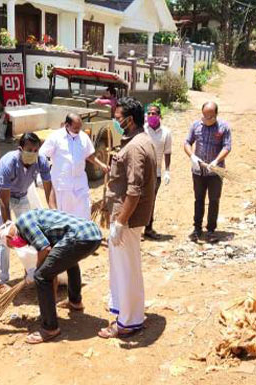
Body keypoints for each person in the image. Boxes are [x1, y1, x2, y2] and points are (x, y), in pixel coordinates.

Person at [0, 209, 102, 344]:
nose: (16, 247)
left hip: (79, 237)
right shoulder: (32, 220)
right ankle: (75, 302)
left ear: (10, 238)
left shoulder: (23, 223)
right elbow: (53, 262)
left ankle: (50, 328)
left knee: (41, 277)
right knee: (68, 261)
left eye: (12, 246)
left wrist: (36, 271)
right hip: (93, 234)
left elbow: (45, 249)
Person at [98, 97, 157, 339]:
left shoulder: (134, 148)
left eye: (118, 117)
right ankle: (127, 312)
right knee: (126, 268)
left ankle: (129, 322)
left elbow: (134, 190)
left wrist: (120, 222)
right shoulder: (142, 140)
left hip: (128, 219)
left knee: (127, 270)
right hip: (128, 217)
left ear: (129, 120)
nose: (116, 121)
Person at [0, 133, 55, 293]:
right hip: (1, 196)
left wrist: (53, 209)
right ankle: (2, 281)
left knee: (30, 234)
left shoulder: (41, 161)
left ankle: (30, 269)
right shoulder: (8, 163)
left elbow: (48, 188)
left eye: (35, 149)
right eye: (29, 150)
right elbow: (4, 200)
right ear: (20, 149)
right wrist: (7, 225)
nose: (33, 153)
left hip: (22, 195)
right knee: (5, 239)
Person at [39, 113, 109, 219]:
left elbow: (89, 155)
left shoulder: (83, 137)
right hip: (62, 185)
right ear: (67, 125)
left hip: (80, 184)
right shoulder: (55, 137)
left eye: (80, 127)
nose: (78, 130)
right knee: (64, 216)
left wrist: (101, 165)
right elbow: (42, 155)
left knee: (83, 213)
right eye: (76, 128)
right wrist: (43, 175)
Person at [184, 101, 232, 244]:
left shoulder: (224, 127)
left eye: (210, 117)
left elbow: (227, 147)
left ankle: (211, 230)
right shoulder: (196, 126)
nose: (207, 119)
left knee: (214, 200)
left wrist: (216, 161)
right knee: (198, 199)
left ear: (216, 115)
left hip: (215, 172)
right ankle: (197, 229)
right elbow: (187, 142)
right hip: (198, 171)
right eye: (204, 116)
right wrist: (192, 156)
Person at [143, 104, 172, 239]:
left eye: (153, 113)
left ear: (159, 116)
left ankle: (148, 228)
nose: (150, 116)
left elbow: (167, 152)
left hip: (156, 173)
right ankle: (135, 229)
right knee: (136, 199)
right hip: (141, 171)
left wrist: (167, 170)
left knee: (151, 201)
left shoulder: (166, 133)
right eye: (148, 113)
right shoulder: (142, 129)